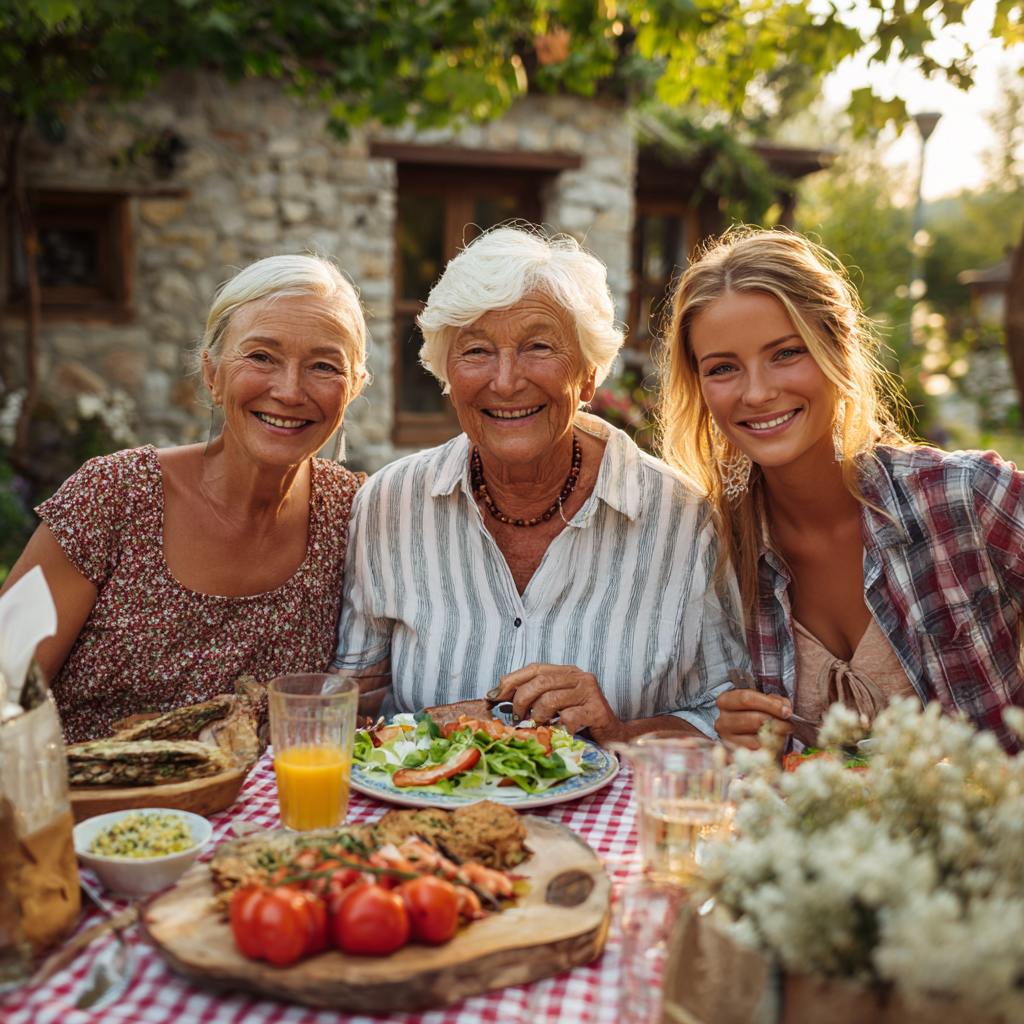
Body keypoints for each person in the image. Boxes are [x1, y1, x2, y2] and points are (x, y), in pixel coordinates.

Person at [335, 226, 748, 746]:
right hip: (427, 824)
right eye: (476, 351)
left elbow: (730, 722)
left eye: (538, 346)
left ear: (590, 374)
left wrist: (621, 733)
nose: (505, 381)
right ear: (447, 374)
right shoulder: (389, 504)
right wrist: (427, 732)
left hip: (608, 827)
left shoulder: (681, 518)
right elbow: (350, 710)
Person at [660, 227, 1024, 752]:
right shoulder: (716, 555)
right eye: (723, 368)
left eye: (785, 353)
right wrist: (739, 740)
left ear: (838, 346)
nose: (758, 392)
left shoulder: (963, 496)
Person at [1, 255, 367, 742]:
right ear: (212, 374)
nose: (289, 390)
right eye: (261, 356)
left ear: (354, 389)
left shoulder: (354, 513)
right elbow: (6, 683)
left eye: (323, 366)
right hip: (93, 809)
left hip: (260, 816)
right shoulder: (115, 495)